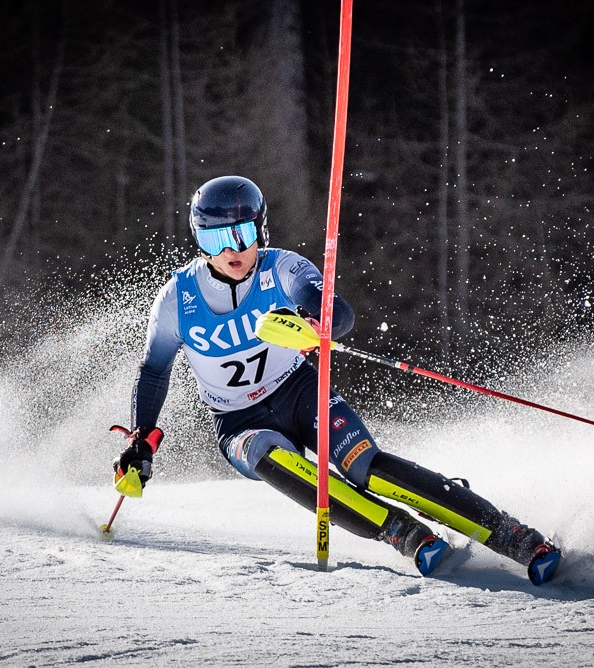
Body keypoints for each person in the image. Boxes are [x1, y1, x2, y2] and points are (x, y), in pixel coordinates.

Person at [115, 175, 561, 583]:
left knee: (364, 467)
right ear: (199, 241)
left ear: (261, 231)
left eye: (242, 235)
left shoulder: (282, 269)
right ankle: (403, 533)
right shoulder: (177, 299)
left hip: (299, 391)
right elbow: (154, 370)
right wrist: (141, 440)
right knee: (271, 456)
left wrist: (316, 323)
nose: (231, 251)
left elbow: (339, 313)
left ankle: (512, 536)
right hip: (238, 421)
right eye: (215, 239)